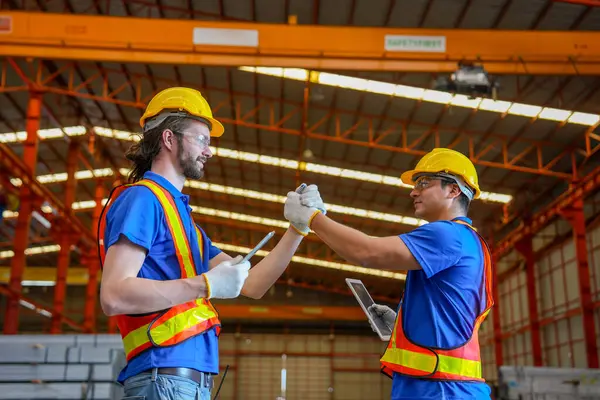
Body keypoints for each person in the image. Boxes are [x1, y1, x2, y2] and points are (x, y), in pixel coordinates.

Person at [98, 87, 317, 400]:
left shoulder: (184, 222)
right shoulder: (143, 199)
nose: (210, 150)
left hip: (185, 383)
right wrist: (205, 284)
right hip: (163, 378)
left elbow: (252, 284)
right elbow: (114, 295)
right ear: (169, 139)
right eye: (201, 138)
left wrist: (297, 228)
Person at [284, 148, 494, 400]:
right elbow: (452, 313)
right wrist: (402, 325)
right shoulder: (465, 240)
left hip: (441, 390)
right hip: (439, 386)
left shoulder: (448, 235)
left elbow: (367, 251)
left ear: (454, 190)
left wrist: (313, 218)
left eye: (424, 183)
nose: (413, 191)